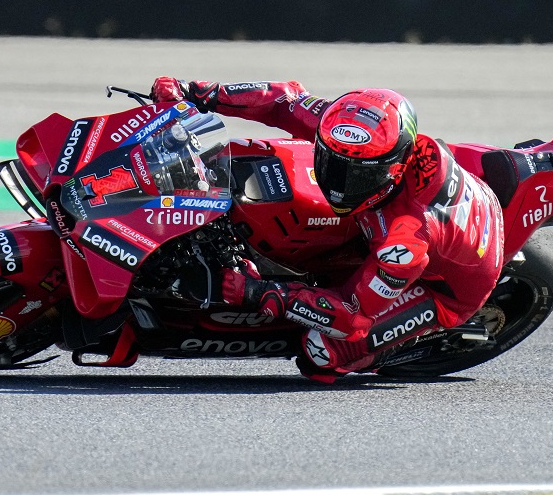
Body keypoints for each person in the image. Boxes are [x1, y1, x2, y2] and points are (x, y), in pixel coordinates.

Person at [151, 77, 505, 383]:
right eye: (332, 163)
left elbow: (352, 316)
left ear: (392, 169)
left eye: (357, 175)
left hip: (441, 288)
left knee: (320, 353)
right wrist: (197, 93)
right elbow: (282, 100)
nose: (338, 183)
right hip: (425, 219)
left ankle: (394, 346)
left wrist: (260, 292)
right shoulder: (346, 131)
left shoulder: (404, 242)